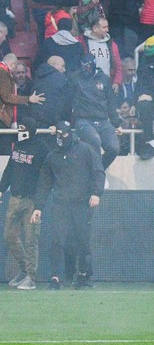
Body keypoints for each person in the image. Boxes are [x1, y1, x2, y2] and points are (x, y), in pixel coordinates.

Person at [31, 121, 104, 290]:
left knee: (82, 241)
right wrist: (38, 207)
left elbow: (98, 172)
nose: (60, 138)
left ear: (69, 134)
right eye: (57, 135)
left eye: (63, 135)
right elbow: (44, 183)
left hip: (81, 204)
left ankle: (83, 274)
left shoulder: (85, 149)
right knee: (57, 240)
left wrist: (96, 193)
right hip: (60, 204)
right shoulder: (52, 155)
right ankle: (56, 277)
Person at [0, 117, 47, 290]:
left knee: (30, 239)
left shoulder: (42, 149)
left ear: (31, 129)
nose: (20, 131)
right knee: (9, 236)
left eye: (23, 128)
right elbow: (10, 168)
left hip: (31, 200)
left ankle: (31, 277)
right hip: (14, 197)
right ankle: (23, 270)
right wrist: (1, 188)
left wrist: (39, 204)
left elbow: (46, 178)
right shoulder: (18, 144)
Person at [70, 53, 122, 169]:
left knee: (114, 148)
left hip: (103, 120)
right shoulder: (74, 78)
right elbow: (65, 101)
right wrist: (62, 121)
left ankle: (98, 172)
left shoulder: (104, 78)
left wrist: (116, 123)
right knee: (95, 140)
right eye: (83, 66)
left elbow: (111, 102)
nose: (85, 69)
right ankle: (97, 176)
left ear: (93, 65)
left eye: (88, 66)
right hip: (83, 120)